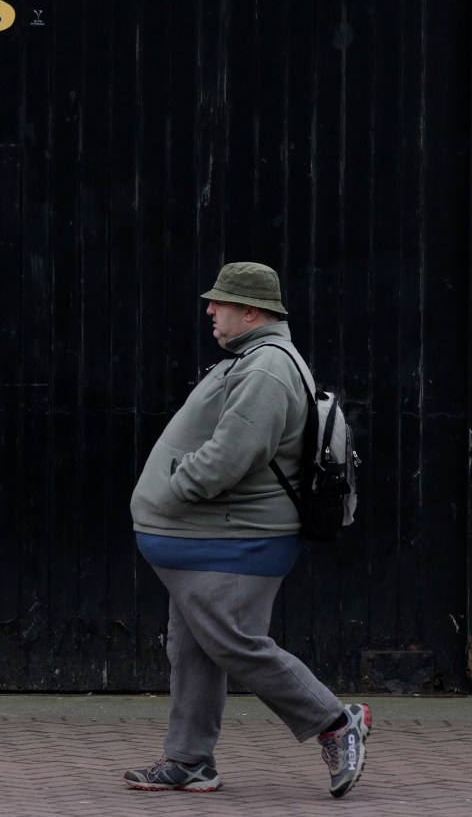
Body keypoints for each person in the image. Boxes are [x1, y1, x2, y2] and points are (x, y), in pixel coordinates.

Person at [122, 261, 371, 798]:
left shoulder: (266, 369)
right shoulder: (255, 359)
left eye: (221, 303)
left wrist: (172, 488)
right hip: (215, 540)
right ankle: (189, 762)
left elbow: (232, 456)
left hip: (236, 540)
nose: (210, 311)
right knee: (194, 649)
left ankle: (335, 721)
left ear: (251, 310)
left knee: (236, 644)